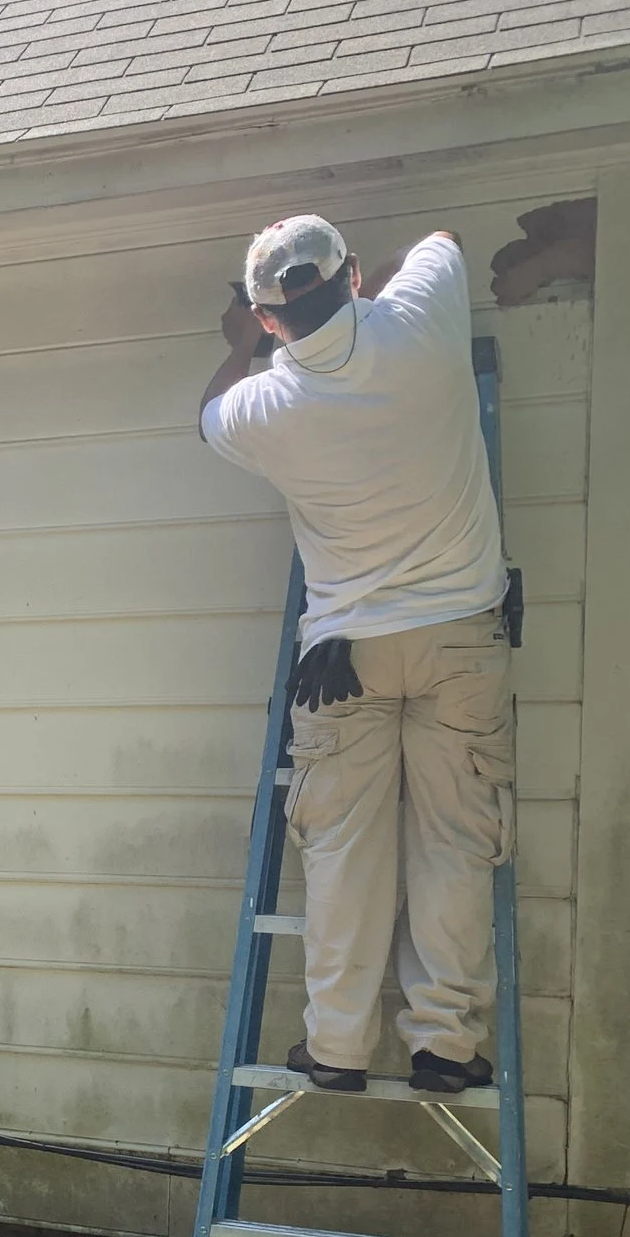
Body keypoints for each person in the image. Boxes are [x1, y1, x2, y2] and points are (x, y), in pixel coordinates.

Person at [198, 215, 516, 1096]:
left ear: (267, 320)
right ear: (349, 277)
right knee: (454, 840)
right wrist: (371, 285)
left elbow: (207, 414)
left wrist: (241, 346)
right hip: (461, 636)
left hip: (343, 656)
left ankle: (336, 1047)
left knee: (343, 848)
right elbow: (446, 238)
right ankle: (445, 1047)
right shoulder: (418, 318)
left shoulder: (266, 404)